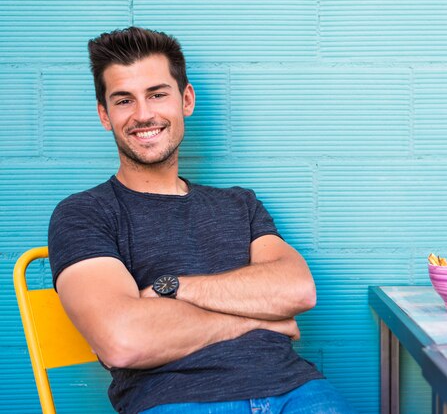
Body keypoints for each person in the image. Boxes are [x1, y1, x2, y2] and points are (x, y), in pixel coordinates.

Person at [48, 27, 355, 414]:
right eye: (124, 100)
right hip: (176, 400)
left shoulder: (239, 204)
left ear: (186, 100)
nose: (144, 114)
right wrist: (260, 320)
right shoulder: (84, 213)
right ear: (104, 115)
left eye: (157, 94)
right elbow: (123, 341)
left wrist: (170, 288)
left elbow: (297, 291)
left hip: (297, 390)